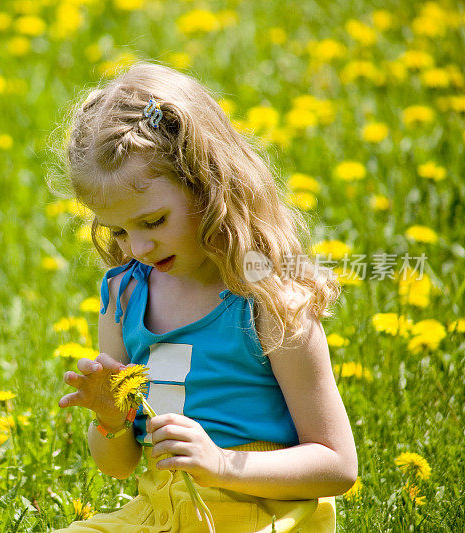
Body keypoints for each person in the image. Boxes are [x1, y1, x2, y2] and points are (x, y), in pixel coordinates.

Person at [52, 62, 357, 532]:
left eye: (153, 222)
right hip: (163, 514)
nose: (137, 248)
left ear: (208, 186)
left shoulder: (269, 301)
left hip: (255, 512)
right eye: (118, 230)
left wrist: (219, 463)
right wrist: (112, 421)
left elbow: (337, 465)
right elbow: (117, 465)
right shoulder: (123, 293)